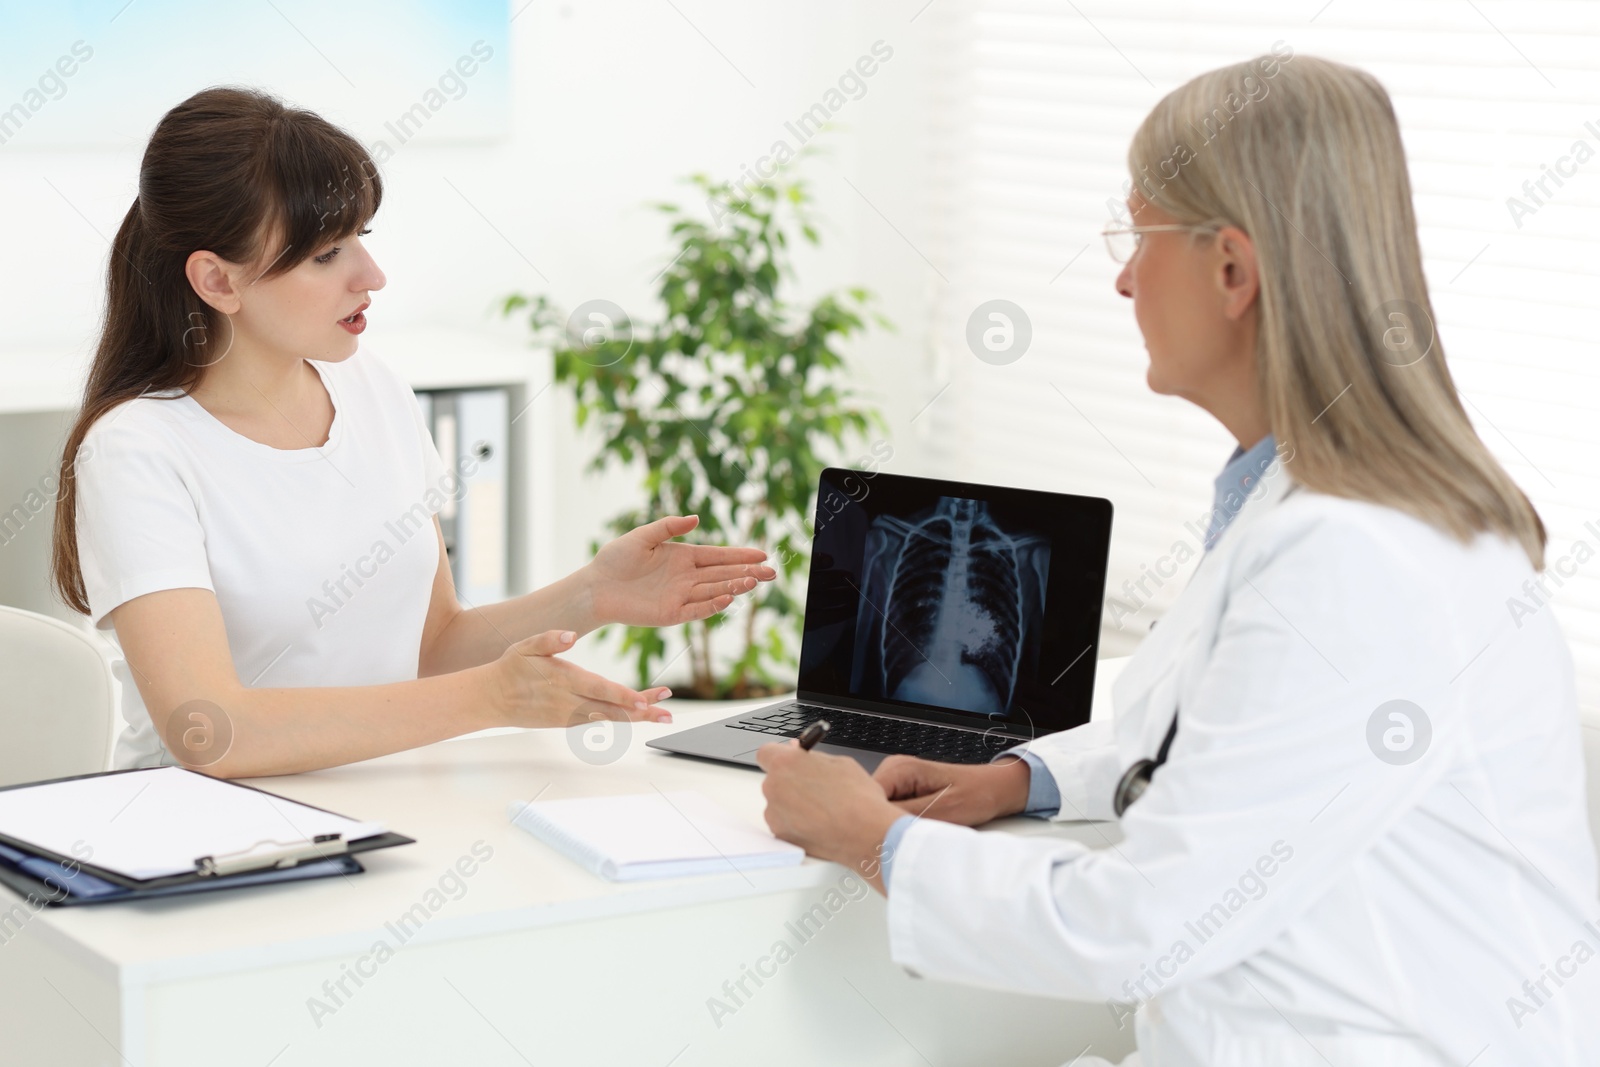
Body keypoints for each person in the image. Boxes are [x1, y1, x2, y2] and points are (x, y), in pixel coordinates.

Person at [758, 54, 1600, 1066]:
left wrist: (871, 838)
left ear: (1232, 270)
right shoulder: (1317, 503)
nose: (1119, 276)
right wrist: (1018, 776)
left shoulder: (1356, 554)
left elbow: (1144, 919)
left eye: (1137, 232)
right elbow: (1229, 740)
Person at [49, 87, 775, 779]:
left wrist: (590, 593)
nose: (372, 274)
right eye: (327, 254)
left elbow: (431, 646)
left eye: (360, 237)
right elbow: (209, 730)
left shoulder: (375, 390)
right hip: (198, 841)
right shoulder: (137, 450)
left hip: (379, 808)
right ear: (217, 281)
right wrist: (494, 698)